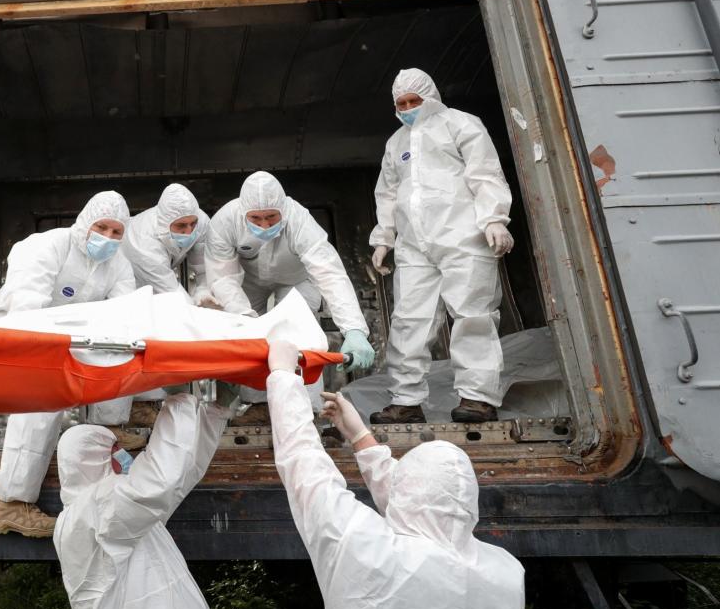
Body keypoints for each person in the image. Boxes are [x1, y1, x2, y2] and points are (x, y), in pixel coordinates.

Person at [265, 339, 525, 609]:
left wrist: (283, 377)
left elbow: (307, 469)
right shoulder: (505, 574)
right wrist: (360, 437)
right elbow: (424, 507)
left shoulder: (363, 549)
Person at [0, 190, 139, 539]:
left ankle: (105, 428)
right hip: (22, 335)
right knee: (41, 401)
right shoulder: (46, 246)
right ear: (85, 221)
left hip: (72, 337)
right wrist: (47, 351)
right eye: (102, 228)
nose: (108, 239)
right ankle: (10, 503)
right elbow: (26, 306)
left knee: (120, 351)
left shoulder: (118, 265)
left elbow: (125, 314)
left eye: (117, 232)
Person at [369, 68, 515, 424]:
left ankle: (477, 398)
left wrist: (494, 218)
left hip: (463, 236)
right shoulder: (396, 142)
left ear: (430, 96)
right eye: (400, 103)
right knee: (409, 320)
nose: (407, 108)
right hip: (415, 244)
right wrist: (383, 238)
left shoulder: (461, 124)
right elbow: (388, 194)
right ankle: (406, 401)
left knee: (473, 316)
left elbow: (484, 173)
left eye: (413, 101)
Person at [54, 394, 228, 609]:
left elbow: (180, 479)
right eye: (115, 453)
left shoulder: (120, 516)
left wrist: (215, 412)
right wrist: (179, 398)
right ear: (93, 461)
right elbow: (160, 481)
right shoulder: (93, 513)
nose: (123, 459)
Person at [205, 170, 375, 406]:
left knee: (299, 335)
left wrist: (354, 328)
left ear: (282, 210)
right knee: (250, 338)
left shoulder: (299, 219)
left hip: (297, 279)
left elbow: (329, 272)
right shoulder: (224, 221)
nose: (264, 224)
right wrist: (243, 316)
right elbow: (223, 277)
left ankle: (308, 408)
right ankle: (257, 405)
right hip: (248, 282)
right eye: (256, 219)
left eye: (272, 217)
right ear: (244, 213)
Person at [122, 183, 215, 306]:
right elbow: (172, 293)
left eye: (193, 224)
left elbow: (203, 264)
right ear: (165, 224)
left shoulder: (200, 220)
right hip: (131, 280)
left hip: (160, 275)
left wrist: (204, 289)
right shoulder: (143, 241)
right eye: (181, 225)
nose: (189, 231)